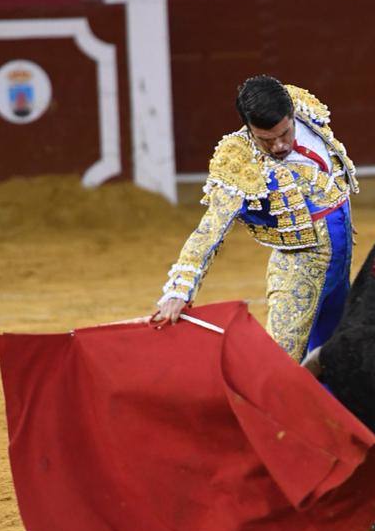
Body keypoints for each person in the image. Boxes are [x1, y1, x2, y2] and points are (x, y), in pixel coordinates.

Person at [152, 76, 358, 362]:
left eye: (284, 134)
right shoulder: (239, 162)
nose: (278, 146)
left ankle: (332, 406)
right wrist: (179, 289)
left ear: (291, 114)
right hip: (299, 269)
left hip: (342, 257)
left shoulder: (303, 108)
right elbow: (210, 229)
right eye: (265, 139)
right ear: (249, 128)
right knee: (282, 362)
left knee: (338, 348)